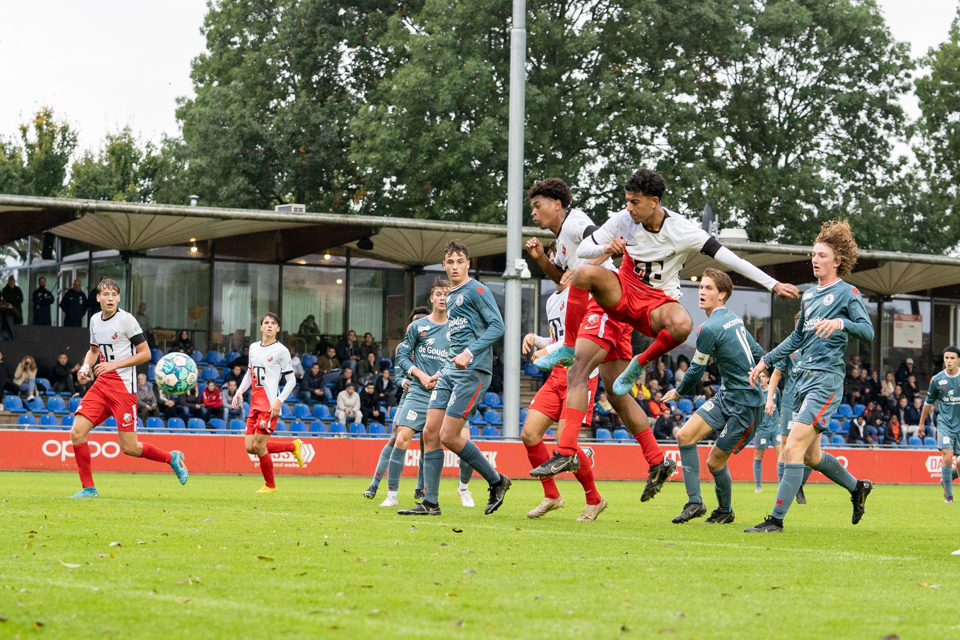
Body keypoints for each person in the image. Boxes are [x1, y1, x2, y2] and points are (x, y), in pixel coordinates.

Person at [531, 169, 797, 484]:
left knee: (682, 323)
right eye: (626, 201)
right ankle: (569, 351)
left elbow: (731, 258)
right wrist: (608, 247)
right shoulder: (621, 220)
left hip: (654, 303)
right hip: (622, 292)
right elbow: (586, 252)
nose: (628, 208)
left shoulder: (683, 230)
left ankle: (630, 374)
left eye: (634, 202)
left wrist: (772, 284)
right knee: (583, 277)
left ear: (654, 202)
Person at [523, 177, 680, 500]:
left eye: (537, 206)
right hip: (613, 311)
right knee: (618, 393)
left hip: (605, 305)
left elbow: (602, 243)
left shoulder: (576, 221)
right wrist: (542, 259)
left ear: (557, 204)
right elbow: (564, 278)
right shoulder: (562, 240)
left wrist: (594, 261)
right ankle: (656, 459)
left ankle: (565, 450)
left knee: (577, 371)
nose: (534, 214)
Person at [745, 219, 874, 533]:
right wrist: (765, 360)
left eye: (822, 255)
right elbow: (796, 339)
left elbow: (868, 331)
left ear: (837, 261)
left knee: (792, 448)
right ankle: (858, 487)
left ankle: (775, 520)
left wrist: (843, 324)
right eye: (813, 254)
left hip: (826, 381)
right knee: (812, 455)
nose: (815, 260)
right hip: (801, 381)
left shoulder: (848, 293)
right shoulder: (808, 297)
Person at [398, 240, 511, 516]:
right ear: (444, 265)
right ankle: (431, 503)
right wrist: (443, 369)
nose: (455, 266)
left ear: (468, 264)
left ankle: (497, 481)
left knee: (449, 436)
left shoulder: (478, 290)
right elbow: (456, 339)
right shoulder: (450, 296)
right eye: (450, 262)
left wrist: (470, 354)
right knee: (430, 432)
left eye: (460, 261)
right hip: (451, 371)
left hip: (473, 372)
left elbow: (498, 326)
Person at [67, 278, 188, 497]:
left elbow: (145, 353)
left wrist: (113, 365)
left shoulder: (126, 320)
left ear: (119, 297)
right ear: (98, 298)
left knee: (130, 448)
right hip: (102, 385)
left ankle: (172, 458)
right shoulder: (94, 320)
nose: (110, 297)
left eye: (114, 294)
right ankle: (88, 489)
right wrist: (86, 366)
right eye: (105, 294)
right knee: (76, 432)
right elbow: (94, 350)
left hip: (124, 389)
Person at [663, 269, 765, 525]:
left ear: (722, 295)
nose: (702, 292)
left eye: (708, 288)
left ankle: (724, 510)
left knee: (714, 461)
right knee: (685, 436)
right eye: (701, 287)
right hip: (727, 395)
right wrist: (759, 372)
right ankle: (695, 502)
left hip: (746, 405)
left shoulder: (710, 327)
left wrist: (678, 392)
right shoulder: (734, 319)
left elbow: (696, 369)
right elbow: (757, 351)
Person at [519, 255, 605, 521]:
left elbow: (582, 340)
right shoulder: (552, 299)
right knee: (529, 434)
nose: (558, 266)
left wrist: (549, 349)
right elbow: (561, 338)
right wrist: (537, 339)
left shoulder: (586, 297)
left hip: (581, 376)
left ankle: (594, 500)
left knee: (564, 444)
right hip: (557, 375)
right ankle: (552, 496)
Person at [364, 305, 432, 503]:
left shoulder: (436, 345)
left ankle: (420, 488)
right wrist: (403, 382)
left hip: (431, 398)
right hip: (408, 398)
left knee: (426, 443)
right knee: (395, 437)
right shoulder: (403, 347)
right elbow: (397, 375)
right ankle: (374, 484)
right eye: (416, 321)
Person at [231, 312, 304, 493]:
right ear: (261, 327)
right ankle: (291, 446)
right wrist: (239, 391)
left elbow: (291, 381)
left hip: (270, 406)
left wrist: (279, 401)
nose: (269, 325)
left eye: (273, 323)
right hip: (254, 404)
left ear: (278, 328)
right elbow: (250, 373)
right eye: (266, 322)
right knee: (250, 447)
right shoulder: (254, 348)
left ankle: (270, 485)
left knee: (258, 446)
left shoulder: (281, 350)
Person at [766, 317, 811, 505]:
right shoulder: (789, 347)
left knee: (809, 450)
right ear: (796, 325)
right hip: (789, 403)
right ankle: (783, 489)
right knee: (785, 446)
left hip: (810, 403)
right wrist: (769, 399)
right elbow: (776, 374)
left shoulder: (816, 346)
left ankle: (799, 484)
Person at [920, 347, 960, 503]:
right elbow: (928, 403)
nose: (948, 361)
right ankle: (948, 495)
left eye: (952, 358)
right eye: (946, 358)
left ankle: (947, 478)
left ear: (958, 360)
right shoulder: (936, 380)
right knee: (948, 458)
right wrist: (921, 423)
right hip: (944, 424)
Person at [753, 371, 782, 493]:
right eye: (760, 377)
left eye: (764, 376)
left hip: (775, 428)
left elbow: (779, 407)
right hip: (761, 429)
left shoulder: (776, 391)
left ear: (769, 378)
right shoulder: (756, 393)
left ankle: (782, 485)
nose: (762, 379)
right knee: (759, 456)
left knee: (781, 456)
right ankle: (758, 486)